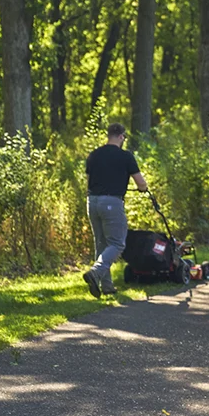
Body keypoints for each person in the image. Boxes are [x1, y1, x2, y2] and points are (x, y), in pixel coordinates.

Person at [83, 122, 148, 298]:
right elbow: (140, 183)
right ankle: (96, 272)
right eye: (124, 138)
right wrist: (143, 188)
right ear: (121, 137)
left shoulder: (94, 155)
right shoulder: (125, 156)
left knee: (101, 244)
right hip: (112, 202)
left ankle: (107, 286)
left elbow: (88, 181)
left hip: (92, 201)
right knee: (118, 243)